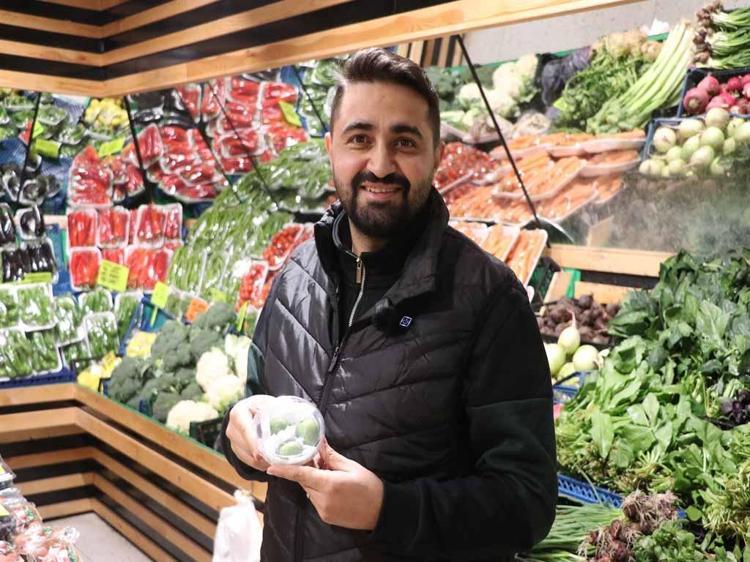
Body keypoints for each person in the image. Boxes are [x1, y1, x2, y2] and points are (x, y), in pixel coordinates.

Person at [221, 47, 557, 561]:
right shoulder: (296, 276)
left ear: (436, 155)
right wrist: (240, 439)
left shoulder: (489, 300)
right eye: (360, 138)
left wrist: (390, 510)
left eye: (404, 142)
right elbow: (258, 409)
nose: (380, 164)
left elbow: (527, 503)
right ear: (331, 148)